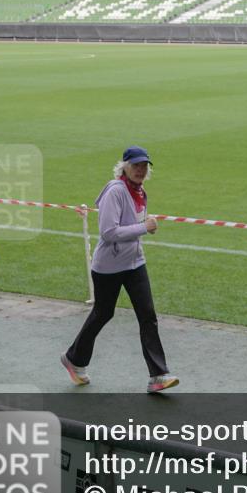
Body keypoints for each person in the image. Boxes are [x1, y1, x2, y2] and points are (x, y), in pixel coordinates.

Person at [60, 146, 179, 394]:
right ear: (124, 166)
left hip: (135, 263)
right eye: (136, 165)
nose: (140, 170)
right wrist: (144, 228)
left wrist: (141, 231)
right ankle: (74, 359)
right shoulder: (115, 191)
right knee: (103, 314)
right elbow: (109, 232)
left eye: (144, 166)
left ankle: (158, 375)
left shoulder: (140, 192)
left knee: (148, 315)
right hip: (108, 268)